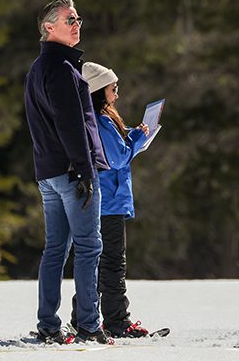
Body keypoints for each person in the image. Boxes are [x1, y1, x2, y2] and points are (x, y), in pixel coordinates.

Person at [24, 0, 112, 344]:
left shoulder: (37, 68)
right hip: (72, 173)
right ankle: (89, 324)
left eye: (78, 19)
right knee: (89, 248)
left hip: (49, 173)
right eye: (69, 20)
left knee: (55, 250)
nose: (77, 25)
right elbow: (70, 124)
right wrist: (84, 169)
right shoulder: (61, 69)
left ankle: (48, 324)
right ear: (49, 28)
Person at [71, 61, 151, 338]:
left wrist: (130, 137)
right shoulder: (102, 120)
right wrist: (138, 139)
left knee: (93, 262)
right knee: (113, 263)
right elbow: (116, 157)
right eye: (113, 89)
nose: (117, 94)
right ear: (98, 90)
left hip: (98, 200)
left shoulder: (90, 117)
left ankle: (80, 316)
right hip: (110, 201)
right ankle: (117, 320)